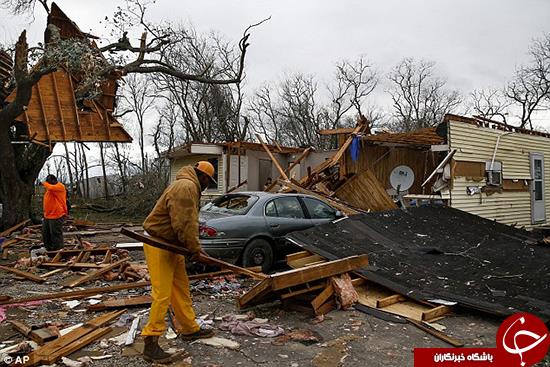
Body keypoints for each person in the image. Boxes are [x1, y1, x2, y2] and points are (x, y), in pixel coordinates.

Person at [141, 161, 216, 364]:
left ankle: (189, 328)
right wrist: (195, 250)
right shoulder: (186, 186)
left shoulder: (188, 185)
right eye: (209, 181)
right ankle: (151, 342)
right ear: (203, 177)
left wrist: (195, 249)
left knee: (180, 288)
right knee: (162, 294)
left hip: (170, 244)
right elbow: (184, 223)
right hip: (158, 242)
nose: (208, 185)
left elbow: (186, 223)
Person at [42, 174, 68, 251]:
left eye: (49, 181)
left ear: (54, 180)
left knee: (56, 234)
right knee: (46, 233)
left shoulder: (60, 187)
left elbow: (50, 187)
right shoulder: (50, 189)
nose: (48, 183)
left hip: (57, 214)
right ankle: (49, 249)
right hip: (47, 215)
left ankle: (58, 250)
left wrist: (43, 183)